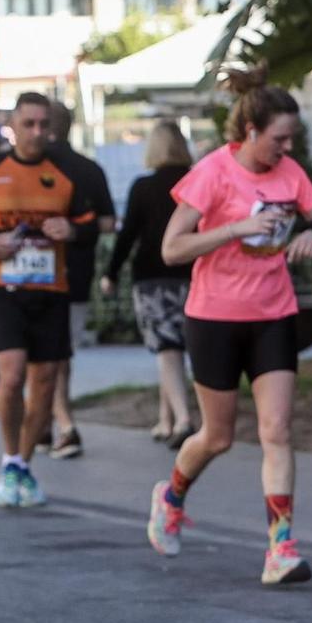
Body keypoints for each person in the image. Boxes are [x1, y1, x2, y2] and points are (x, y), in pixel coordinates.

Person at [148, 71, 312, 584]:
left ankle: (281, 547)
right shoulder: (213, 173)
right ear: (250, 130)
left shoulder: (289, 173)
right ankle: (170, 497)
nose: (287, 145)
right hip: (213, 318)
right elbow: (171, 248)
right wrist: (233, 229)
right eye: (279, 137)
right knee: (217, 436)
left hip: (273, 314)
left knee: (277, 430)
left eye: (291, 138)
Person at [0, 92, 97, 508]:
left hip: (51, 290)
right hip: (0, 287)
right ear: (13, 125)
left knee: (45, 382)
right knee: (11, 376)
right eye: (29, 124)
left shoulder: (64, 171)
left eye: (44, 124)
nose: (37, 132)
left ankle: (22, 467)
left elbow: (91, 226)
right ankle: (10, 456)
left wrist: (74, 231)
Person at [101, 122, 196, 447]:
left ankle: (183, 419)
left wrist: (110, 273)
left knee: (167, 349)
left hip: (152, 277)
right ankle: (165, 419)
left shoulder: (144, 186)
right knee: (176, 347)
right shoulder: (197, 181)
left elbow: (128, 236)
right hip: (193, 272)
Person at [44, 101, 117, 459]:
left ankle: (61, 424)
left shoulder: (33, 167)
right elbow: (108, 222)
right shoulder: (89, 169)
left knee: (47, 353)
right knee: (58, 351)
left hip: (32, 276)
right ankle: (47, 422)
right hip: (77, 272)